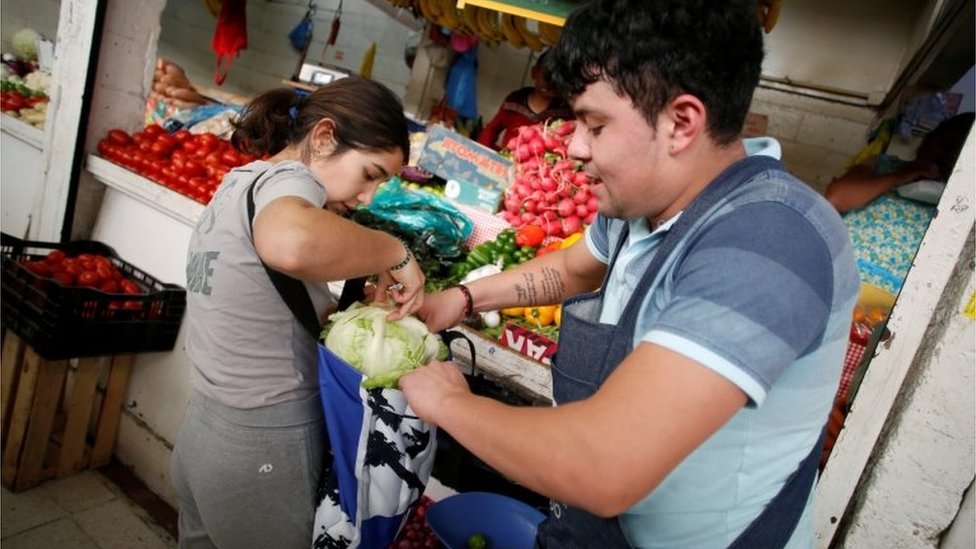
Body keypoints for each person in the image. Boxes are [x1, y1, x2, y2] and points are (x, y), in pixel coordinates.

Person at [401, 1, 860, 547]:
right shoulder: (645, 207)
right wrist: (459, 299)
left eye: (595, 125)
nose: (573, 148)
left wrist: (450, 403)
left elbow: (603, 465)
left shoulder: (772, 239)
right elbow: (572, 269)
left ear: (681, 123)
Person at [170, 76, 425, 548]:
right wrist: (394, 250)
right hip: (261, 446)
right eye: (370, 175)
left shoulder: (244, 182)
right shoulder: (294, 180)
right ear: (324, 137)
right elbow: (292, 243)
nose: (369, 197)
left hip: (207, 432)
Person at [825, 112, 975, 296]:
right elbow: (836, 198)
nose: (950, 156)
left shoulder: (963, 205)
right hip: (834, 274)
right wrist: (900, 176)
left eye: (960, 151)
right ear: (929, 140)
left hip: (886, 303)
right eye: (947, 145)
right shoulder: (883, 165)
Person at [476, 50, 574, 151]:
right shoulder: (514, 101)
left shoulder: (566, 113)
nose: (550, 84)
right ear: (534, 72)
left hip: (540, 166)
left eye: (556, 81)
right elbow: (490, 131)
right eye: (546, 77)